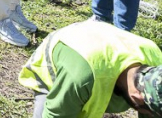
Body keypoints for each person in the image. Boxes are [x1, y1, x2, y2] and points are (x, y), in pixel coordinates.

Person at [19, 20, 162, 118]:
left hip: (100, 39)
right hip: (64, 51)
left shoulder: (156, 61)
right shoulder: (80, 79)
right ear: (136, 97)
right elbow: (56, 114)